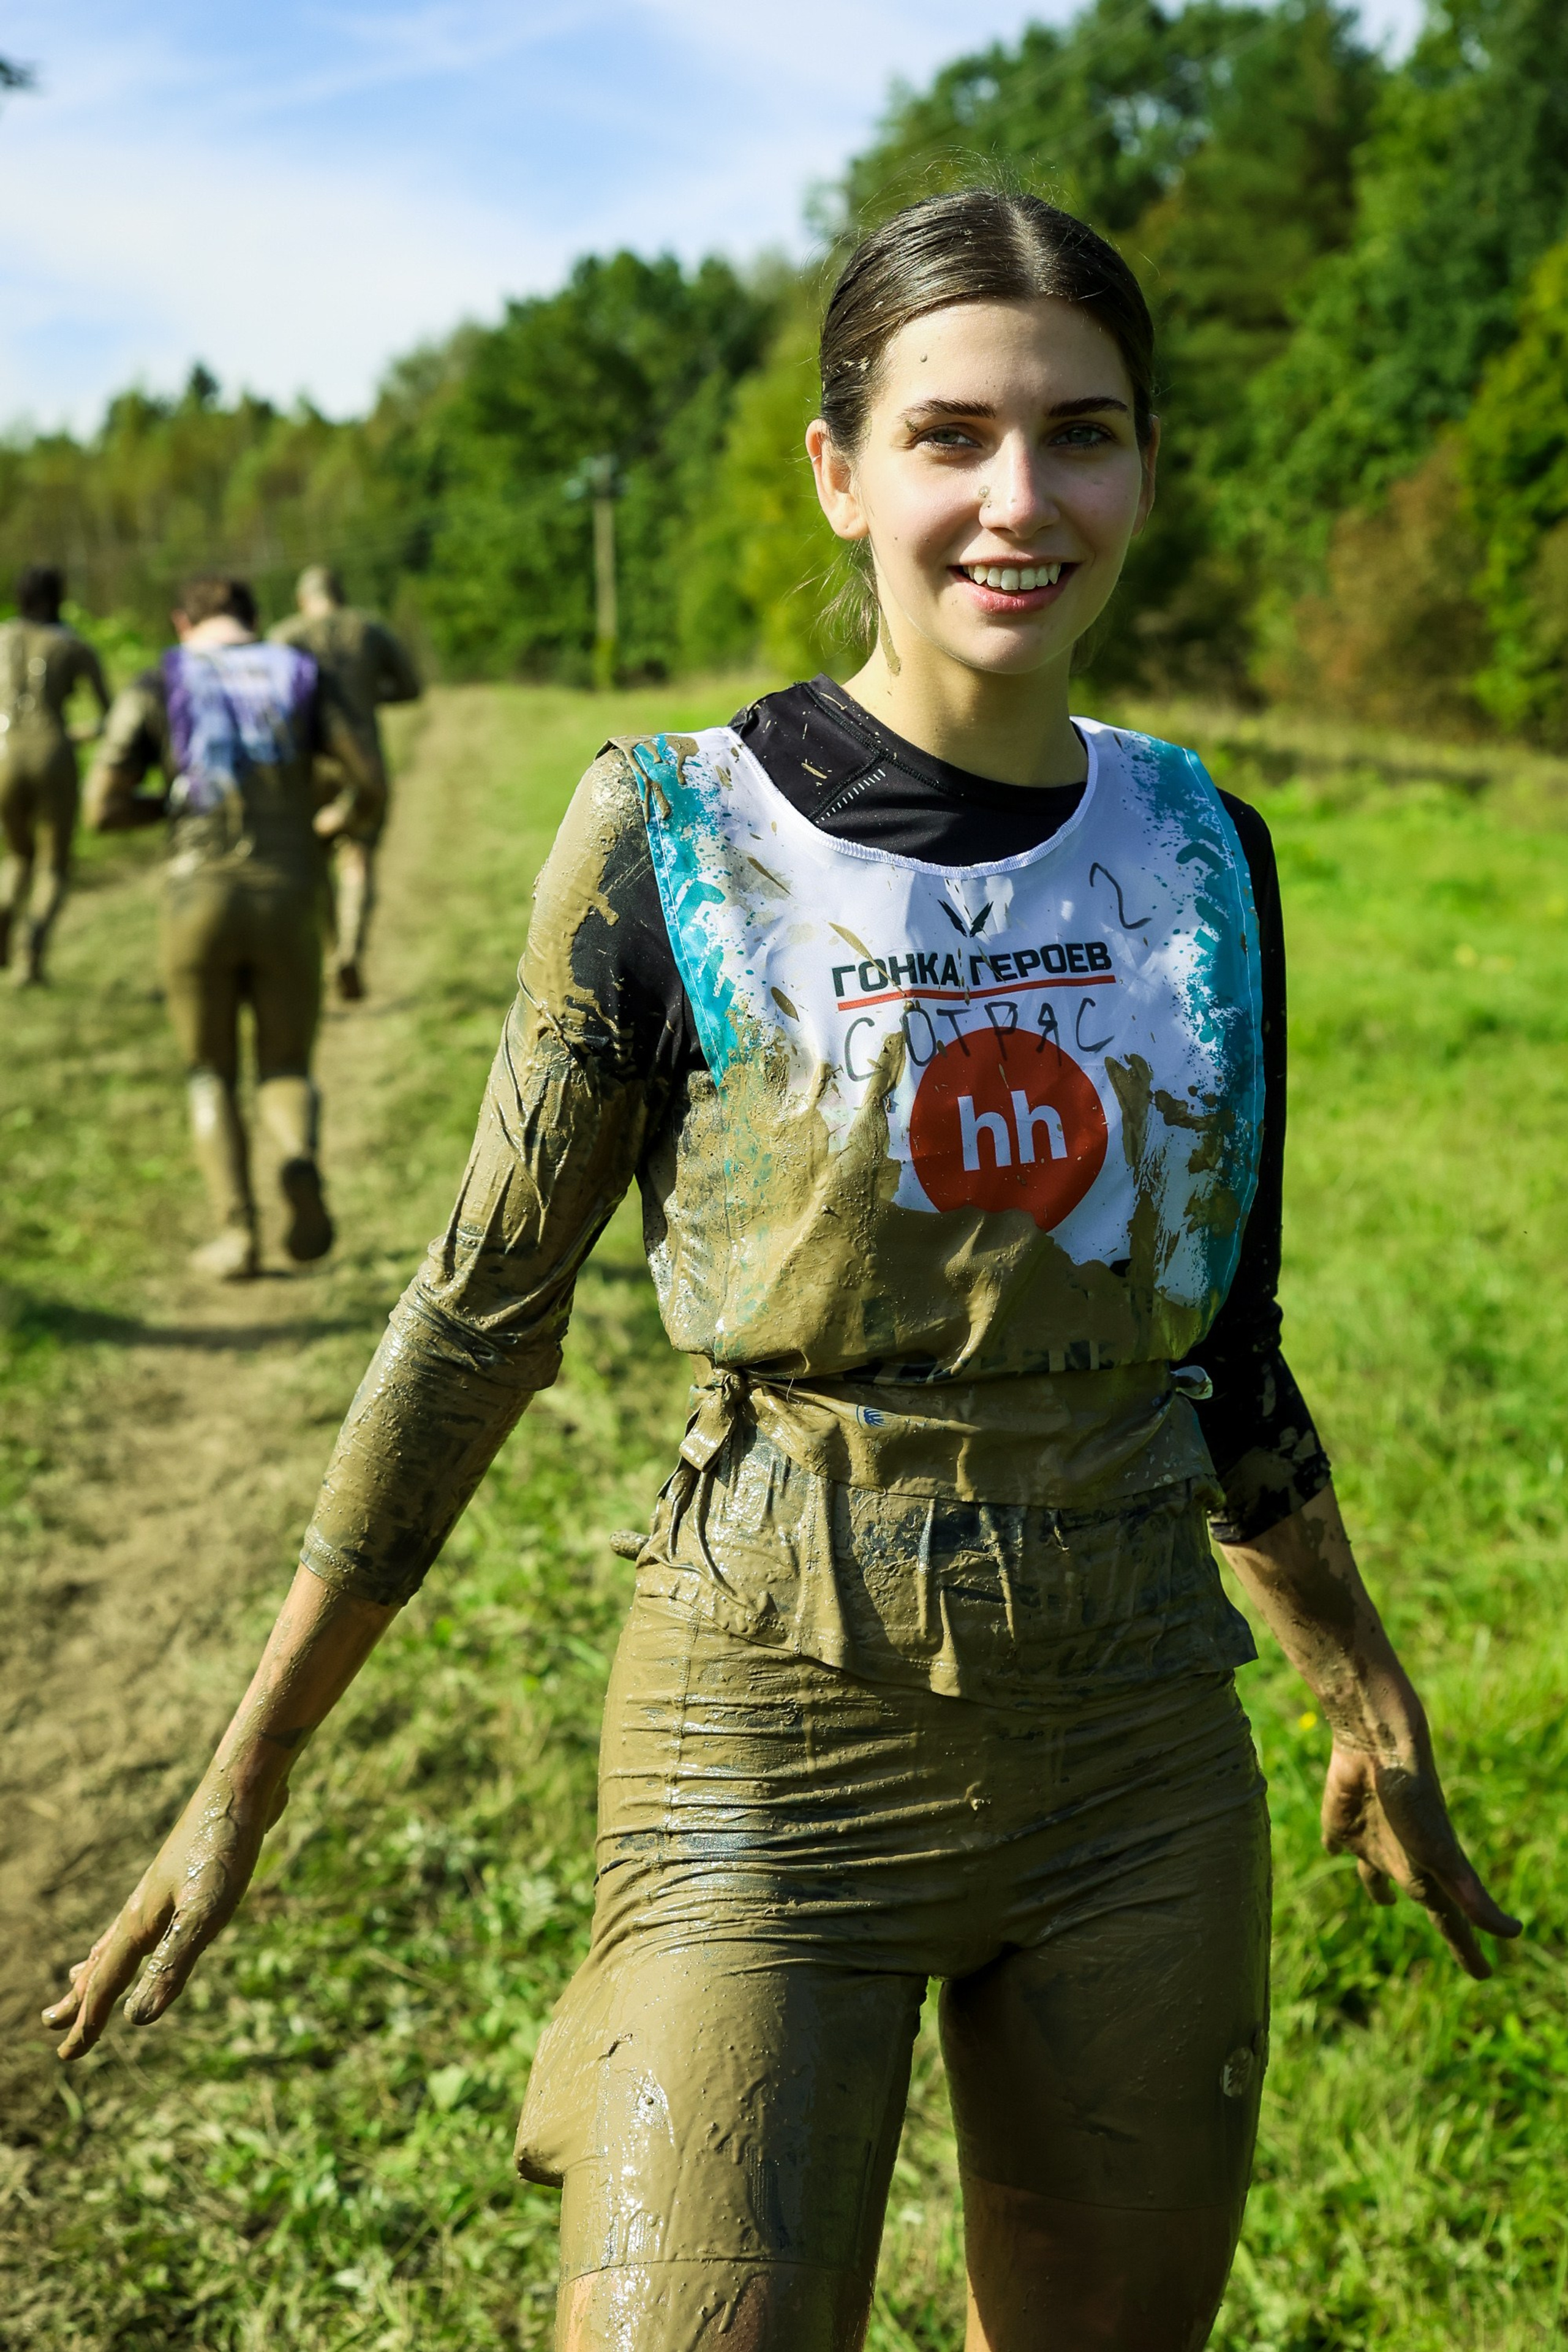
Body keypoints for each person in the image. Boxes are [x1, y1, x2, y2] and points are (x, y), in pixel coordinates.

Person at [46, 194, 1519, 2350]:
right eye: (953, 436)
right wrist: (243, 1768)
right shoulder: (677, 835)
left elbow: (1237, 1347)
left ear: (1142, 467)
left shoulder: (1207, 850)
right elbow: (474, 1321)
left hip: (1136, 1754)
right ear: (844, 472)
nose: (1022, 499)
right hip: (771, 1732)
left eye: (1083, 434)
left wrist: (1368, 1701)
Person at [83, 574, 380, 1281]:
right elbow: (370, 784)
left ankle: (237, 1235)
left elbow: (102, 805)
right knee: (285, 1065)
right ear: (253, 619)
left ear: (183, 621)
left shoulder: (161, 676)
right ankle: (297, 1159)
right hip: (288, 893)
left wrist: (179, 805)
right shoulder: (306, 674)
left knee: (209, 1072)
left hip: (196, 900)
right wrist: (329, 823)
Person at [270, 565, 420, 1001]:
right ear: (341, 594)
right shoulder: (369, 628)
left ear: (303, 599)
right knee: (359, 856)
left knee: (316, 863)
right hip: (363, 761)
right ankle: (351, 949)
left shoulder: (284, 637)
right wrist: (369, 692)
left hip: (308, 766)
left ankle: (332, 948)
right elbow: (410, 687)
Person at [0, 564, 110, 986]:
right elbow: (109, 714)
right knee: (53, 864)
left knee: (17, 854)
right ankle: (31, 951)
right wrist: (81, 734)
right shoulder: (72, 645)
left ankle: (5, 909)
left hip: (3, 753)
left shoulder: (2, 637)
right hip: (52, 752)